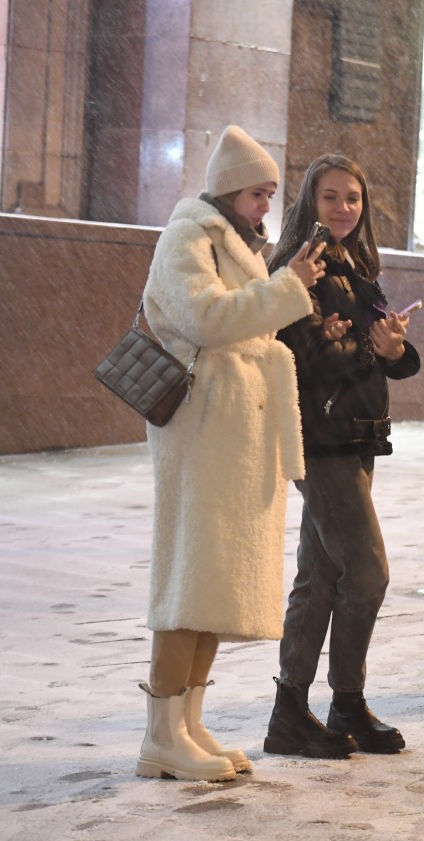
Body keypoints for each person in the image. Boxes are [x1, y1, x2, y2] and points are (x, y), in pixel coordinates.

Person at [137, 125, 324, 782]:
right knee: (189, 579)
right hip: (200, 429)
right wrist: (284, 287)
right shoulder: (188, 234)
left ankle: (186, 723)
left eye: (269, 195)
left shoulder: (235, 242)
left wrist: (282, 284)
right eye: (256, 193)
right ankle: (160, 732)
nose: (264, 207)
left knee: (212, 583)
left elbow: (244, 320)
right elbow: (207, 319)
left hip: (233, 436)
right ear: (227, 188)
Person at [264, 154, 422, 758]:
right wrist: (352, 348)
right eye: (331, 197)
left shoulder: (356, 266)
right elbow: (287, 357)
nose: (343, 208)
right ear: (309, 202)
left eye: (352, 198)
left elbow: (390, 354)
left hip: (357, 434)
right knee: (368, 571)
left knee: (322, 574)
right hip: (323, 440)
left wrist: (390, 346)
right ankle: (342, 701)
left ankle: (295, 710)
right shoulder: (299, 267)